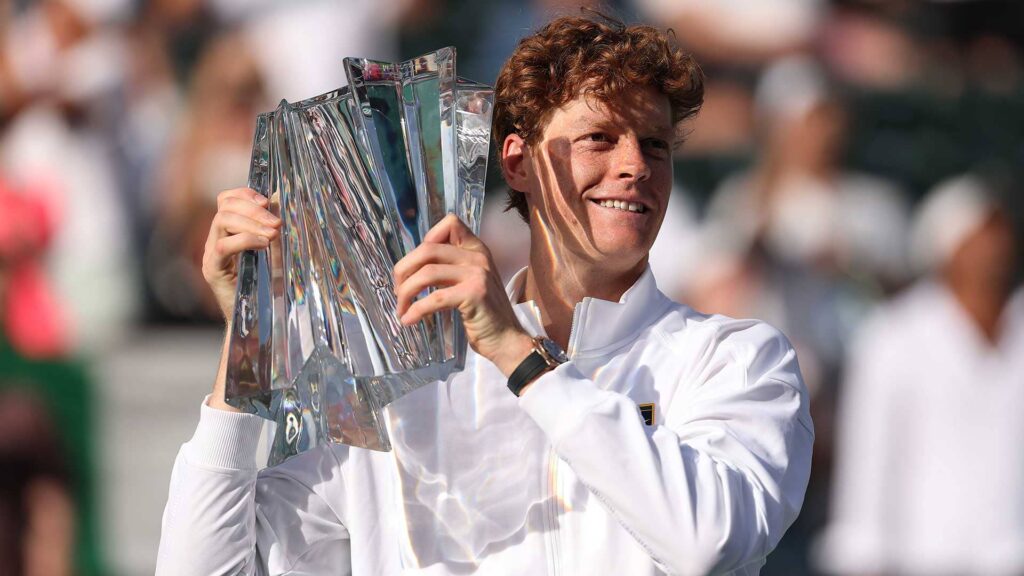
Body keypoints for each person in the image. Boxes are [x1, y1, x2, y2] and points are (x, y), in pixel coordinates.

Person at [157, 13, 813, 575]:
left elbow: (704, 542)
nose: (635, 165)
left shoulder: (737, 359)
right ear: (518, 163)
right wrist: (252, 339)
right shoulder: (405, 387)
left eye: (655, 145)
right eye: (600, 138)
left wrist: (520, 358)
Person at [817, 174, 1024, 575]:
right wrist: (862, 556)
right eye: (981, 235)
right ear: (948, 248)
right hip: (924, 555)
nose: (995, 248)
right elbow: (870, 456)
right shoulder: (894, 335)